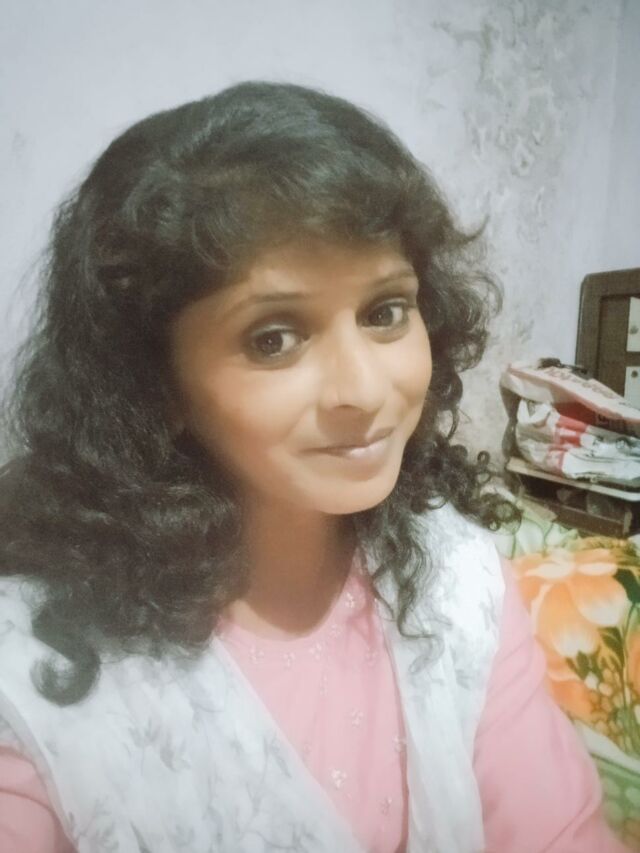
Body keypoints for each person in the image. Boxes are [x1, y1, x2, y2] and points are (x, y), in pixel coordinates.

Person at [0, 81, 630, 853]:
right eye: (273, 338)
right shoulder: (40, 671)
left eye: (385, 312)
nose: (363, 389)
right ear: (155, 383)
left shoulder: (457, 582)